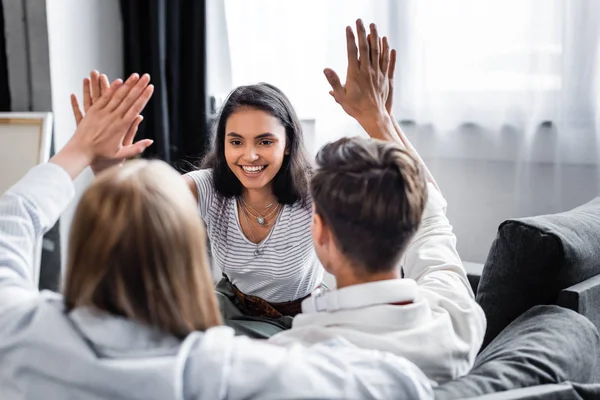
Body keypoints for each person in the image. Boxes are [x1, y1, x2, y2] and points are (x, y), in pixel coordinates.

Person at [0, 72, 433, 399]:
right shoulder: (212, 367)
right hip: (236, 311)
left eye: (264, 141)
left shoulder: (20, 328)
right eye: (236, 141)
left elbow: (16, 217)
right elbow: (401, 383)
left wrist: (85, 153)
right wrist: (379, 119)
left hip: (298, 315)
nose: (249, 155)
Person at [269, 20, 487, 385]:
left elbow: (427, 211)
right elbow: (432, 217)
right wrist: (378, 118)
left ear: (319, 232)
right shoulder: (458, 320)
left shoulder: (291, 360)